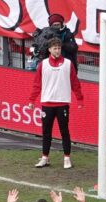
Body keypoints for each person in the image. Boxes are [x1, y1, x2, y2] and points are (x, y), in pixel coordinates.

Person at [31, 38, 82, 169]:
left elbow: (75, 83)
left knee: (64, 131)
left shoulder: (68, 64)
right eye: (55, 48)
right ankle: (45, 158)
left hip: (62, 103)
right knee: (46, 132)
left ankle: (67, 158)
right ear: (49, 49)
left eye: (59, 48)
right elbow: (37, 84)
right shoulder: (43, 64)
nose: (57, 50)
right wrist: (32, 100)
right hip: (47, 104)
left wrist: (80, 99)